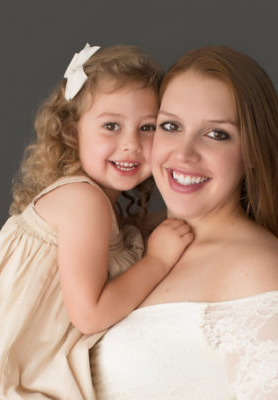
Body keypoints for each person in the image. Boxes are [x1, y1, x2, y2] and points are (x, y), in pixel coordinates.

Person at [0, 44, 193, 399]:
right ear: (72, 130)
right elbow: (91, 315)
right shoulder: (84, 202)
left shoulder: (92, 206)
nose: (131, 145)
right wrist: (158, 260)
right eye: (111, 125)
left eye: (148, 128)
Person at [91, 45, 278, 400]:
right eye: (171, 126)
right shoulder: (130, 241)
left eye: (217, 134)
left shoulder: (256, 268)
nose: (184, 153)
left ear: (252, 152)